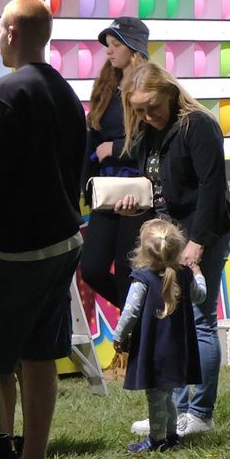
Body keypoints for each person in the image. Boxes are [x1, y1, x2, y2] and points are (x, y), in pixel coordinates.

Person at [0, 0, 87, 459]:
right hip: (64, 238)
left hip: (19, 247)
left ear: (12, 33)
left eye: (0, 30)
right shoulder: (65, 92)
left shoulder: (6, 93)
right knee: (40, 354)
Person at [120, 62, 230, 436]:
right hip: (170, 237)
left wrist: (198, 244)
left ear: (171, 93)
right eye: (138, 109)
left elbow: (212, 187)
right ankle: (174, 411)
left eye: (152, 106)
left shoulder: (199, 125)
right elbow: (159, 186)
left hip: (203, 233)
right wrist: (135, 203)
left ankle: (200, 414)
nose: (146, 115)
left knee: (202, 321)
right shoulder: (145, 131)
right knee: (175, 322)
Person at [114, 219, 206, 452]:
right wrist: (197, 271)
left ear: (143, 250)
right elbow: (201, 295)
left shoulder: (142, 278)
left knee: (156, 397)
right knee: (168, 396)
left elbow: (130, 313)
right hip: (177, 349)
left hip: (154, 350)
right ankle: (171, 435)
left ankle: (157, 440)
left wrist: (119, 336)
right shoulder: (184, 274)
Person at [80, 18, 152, 308]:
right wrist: (84, 183)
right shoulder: (106, 86)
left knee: (128, 271)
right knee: (93, 269)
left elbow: (154, 139)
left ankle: (131, 340)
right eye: (108, 46)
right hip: (105, 190)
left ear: (134, 48)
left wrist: (118, 148)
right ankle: (133, 316)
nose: (109, 52)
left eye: (116, 45)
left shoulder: (151, 85)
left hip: (136, 191)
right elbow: (92, 136)